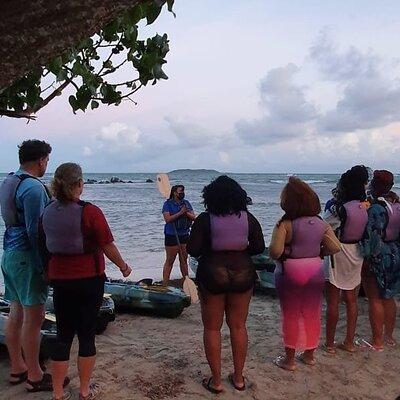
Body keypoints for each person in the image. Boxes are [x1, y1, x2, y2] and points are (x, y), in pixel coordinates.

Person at [39, 163, 132, 400]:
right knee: (86, 335)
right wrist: (123, 266)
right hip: (89, 280)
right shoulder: (90, 212)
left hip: (60, 281)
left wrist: (46, 272)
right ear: (79, 184)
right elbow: (107, 245)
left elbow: (43, 245)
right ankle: (84, 390)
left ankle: (58, 393)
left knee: (63, 335)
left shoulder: (47, 211)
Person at [187, 176, 265, 393]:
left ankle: (217, 381)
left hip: (212, 273)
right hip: (242, 272)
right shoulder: (248, 218)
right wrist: (240, 250)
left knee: (212, 328)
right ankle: (239, 379)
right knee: (238, 326)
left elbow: (193, 249)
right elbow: (259, 246)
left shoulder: (204, 219)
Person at [0, 140, 60, 392]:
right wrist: (45, 265)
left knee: (16, 312)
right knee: (34, 319)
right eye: (47, 159)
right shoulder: (34, 188)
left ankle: (18, 368)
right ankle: (35, 375)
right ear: (41, 160)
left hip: (10, 254)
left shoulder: (8, 181)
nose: (47, 164)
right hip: (27, 257)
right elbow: (36, 231)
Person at [269, 177, 340, 371]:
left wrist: (290, 251)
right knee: (312, 313)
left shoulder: (285, 224)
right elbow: (335, 247)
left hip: (290, 271)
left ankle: (289, 360)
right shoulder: (321, 223)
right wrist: (318, 251)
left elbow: (274, 251)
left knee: (290, 314)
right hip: (314, 270)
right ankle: (309, 355)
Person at [323, 165, 369, 354]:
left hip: (337, 252)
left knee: (333, 300)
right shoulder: (365, 207)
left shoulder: (338, 209)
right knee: (351, 299)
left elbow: (323, 227)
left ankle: (330, 344)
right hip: (357, 252)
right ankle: (349, 341)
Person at [360, 170, 400, 351]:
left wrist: (367, 258)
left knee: (374, 298)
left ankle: (377, 341)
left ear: (375, 184)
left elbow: (372, 236)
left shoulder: (376, 208)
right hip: (395, 252)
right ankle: (389, 336)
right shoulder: (397, 204)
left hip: (379, 254)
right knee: (390, 296)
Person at [162, 184, 195, 286]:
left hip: (184, 234)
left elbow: (194, 217)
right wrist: (181, 212)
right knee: (170, 261)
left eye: (183, 191)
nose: (182, 193)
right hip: (172, 235)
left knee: (183, 260)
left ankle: (186, 283)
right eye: (180, 191)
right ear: (174, 192)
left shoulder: (186, 203)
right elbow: (167, 219)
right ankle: (165, 284)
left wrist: (186, 212)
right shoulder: (167, 204)